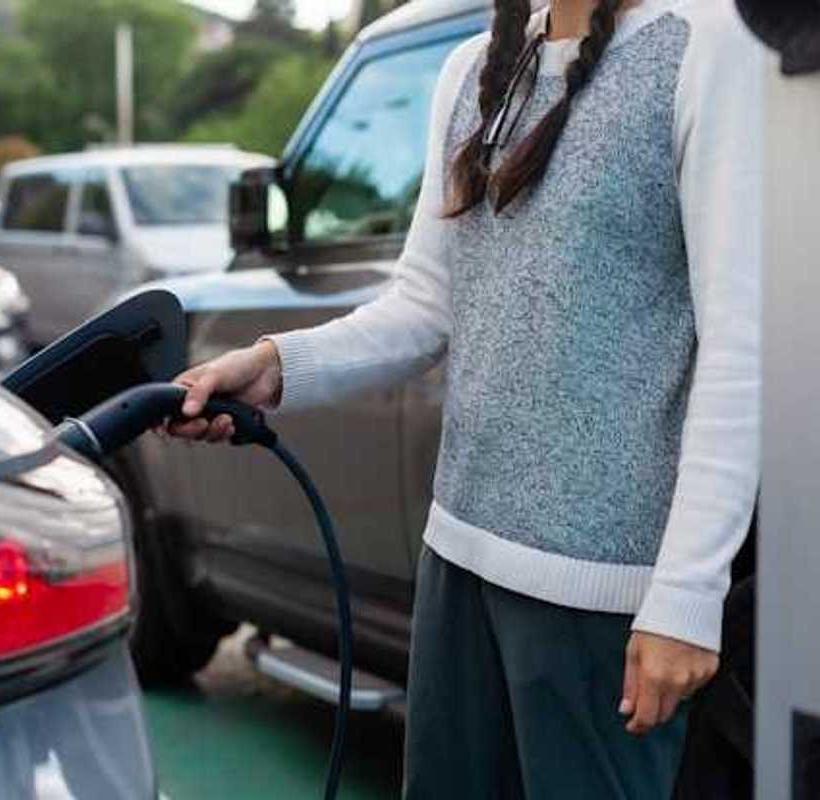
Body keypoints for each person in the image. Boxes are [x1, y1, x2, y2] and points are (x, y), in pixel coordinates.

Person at [166, 0, 763, 796]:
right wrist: (275, 366)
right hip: (456, 566)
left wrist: (686, 599)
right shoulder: (472, 70)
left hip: (603, 600)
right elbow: (424, 305)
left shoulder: (704, 45)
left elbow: (740, 350)